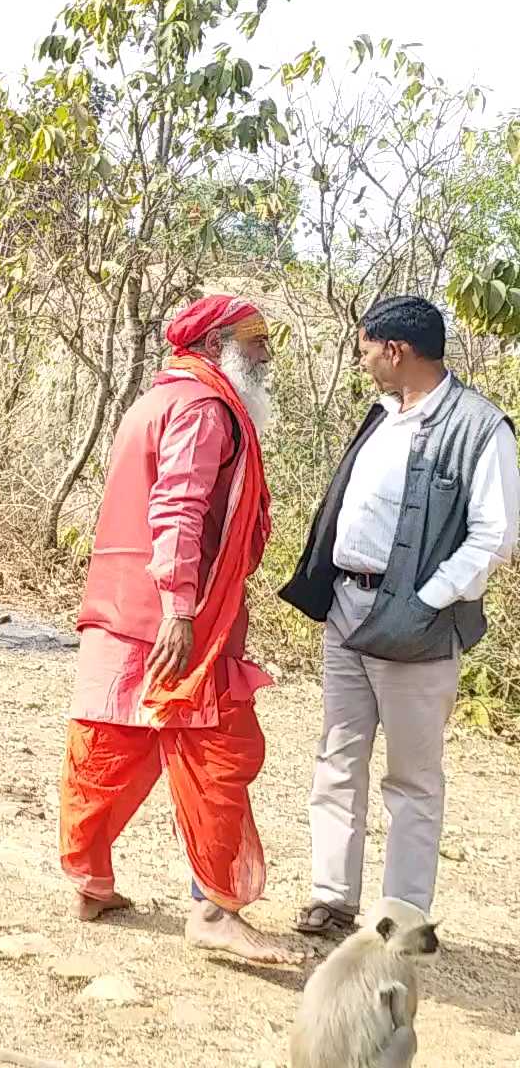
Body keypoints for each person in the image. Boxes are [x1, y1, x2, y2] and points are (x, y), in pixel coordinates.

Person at [59, 293, 303, 965]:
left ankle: (90, 883)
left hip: (120, 604)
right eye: (253, 339)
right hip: (175, 619)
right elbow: (179, 508)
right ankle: (215, 909)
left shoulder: (158, 399)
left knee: (109, 742)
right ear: (213, 343)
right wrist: (180, 609)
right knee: (218, 753)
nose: (265, 352)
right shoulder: (203, 407)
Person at [278, 295, 519, 936]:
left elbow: (495, 537)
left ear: (396, 351)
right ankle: (333, 898)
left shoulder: (480, 427)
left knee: (412, 777)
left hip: (420, 624)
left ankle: (403, 917)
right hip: (348, 610)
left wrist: (426, 600)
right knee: (338, 756)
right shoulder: (383, 415)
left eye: (365, 350)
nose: (362, 362)